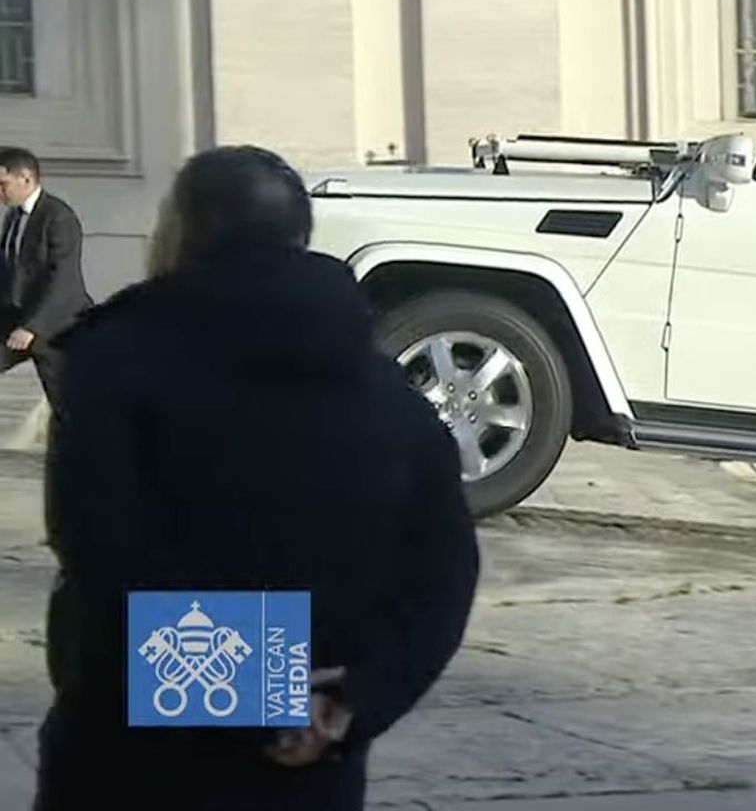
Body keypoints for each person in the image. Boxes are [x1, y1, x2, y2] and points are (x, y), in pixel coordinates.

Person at [35, 146, 480, 810]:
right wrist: (346, 702)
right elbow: (444, 574)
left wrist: (258, 705)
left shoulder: (117, 363)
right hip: (310, 757)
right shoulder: (389, 391)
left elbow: (108, 557)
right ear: (301, 239)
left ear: (180, 231)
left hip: (133, 760)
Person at [0, 147, 91, 412]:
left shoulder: (58, 217)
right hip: (15, 317)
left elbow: (63, 279)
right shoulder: (13, 217)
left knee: (66, 403)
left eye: (2, 184)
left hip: (55, 326)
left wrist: (32, 327)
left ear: (25, 179)